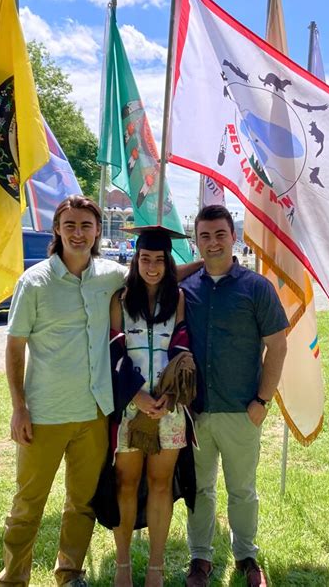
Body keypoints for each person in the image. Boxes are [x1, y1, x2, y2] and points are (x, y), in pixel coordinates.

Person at [0, 196, 201, 586]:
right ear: (57, 229)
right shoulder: (34, 281)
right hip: (45, 412)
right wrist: (18, 407)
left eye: (86, 226)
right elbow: (14, 346)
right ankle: (13, 578)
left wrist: (207, 264)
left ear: (96, 232)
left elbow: (155, 271)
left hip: (94, 411)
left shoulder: (109, 275)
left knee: (82, 502)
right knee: (28, 503)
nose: (78, 233)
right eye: (70, 225)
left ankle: (70, 573)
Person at [180, 205, 289, 587]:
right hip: (196, 412)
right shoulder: (185, 290)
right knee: (200, 489)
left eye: (219, 235)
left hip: (243, 410)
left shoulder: (256, 288)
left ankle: (245, 555)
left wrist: (263, 401)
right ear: (196, 240)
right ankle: (200, 558)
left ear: (233, 236)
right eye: (205, 236)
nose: (212, 243)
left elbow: (277, 346)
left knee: (242, 489)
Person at [107, 226, 196, 587]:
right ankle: (123, 566)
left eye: (160, 260)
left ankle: (156, 569)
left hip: (169, 407)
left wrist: (169, 395)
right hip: (130, 407)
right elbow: (113, 349)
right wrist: (136, 395)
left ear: (168, 263)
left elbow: (181, 344)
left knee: (161, 485)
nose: (153, 267)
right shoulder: (120, 299)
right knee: (125, 484)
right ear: (136, 259)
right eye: (146, 259)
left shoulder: (177, 299)